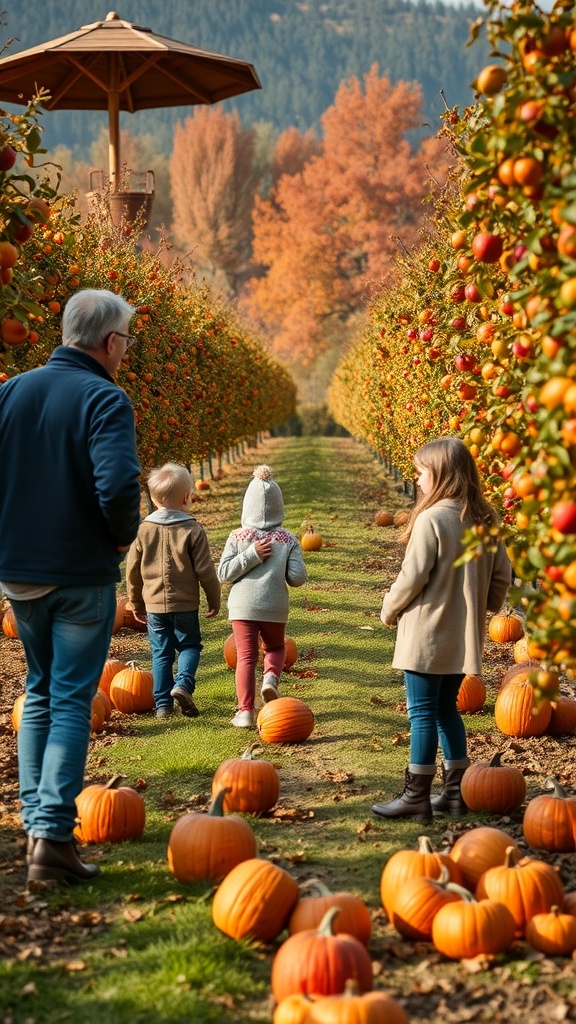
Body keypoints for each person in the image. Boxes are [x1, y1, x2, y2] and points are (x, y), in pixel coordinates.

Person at [0, 289, 142, 884]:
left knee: (39, 689)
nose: (126, 353)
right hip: (79, 575)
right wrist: (119, 536)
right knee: (69, 702)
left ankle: (38, 825)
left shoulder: (11, 390)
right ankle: (52, 837)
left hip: (18, 573)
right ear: (110, 343)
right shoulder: (104, 398)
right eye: (126, 342)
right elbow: (116, 485)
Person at [372, 437, 511, 822]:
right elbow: (502, 577)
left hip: (426, 635)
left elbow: (411, 577)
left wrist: (388, 609)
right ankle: (455, 792)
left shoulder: (432, 519)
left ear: (441, 475)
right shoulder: (486, 520)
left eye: (421, 472)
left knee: (420, 713)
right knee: (447, 710)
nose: (416, 480)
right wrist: (482, 606)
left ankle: (416, 795)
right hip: (461, 636)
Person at [126, 462, 220, 718]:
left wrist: (135, 603)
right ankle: (183, 684)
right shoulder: (193, 529)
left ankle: (162, 706)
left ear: (153, 500)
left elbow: (132, 571)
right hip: (186, 604)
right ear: (187, 497)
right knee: (189, 646)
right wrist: (214, 598)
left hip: (155, 606)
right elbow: (205, 570)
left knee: (161, 652)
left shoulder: (142, 530)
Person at [217, 465, 307, 727]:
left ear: (247, 506)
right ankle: (270, 678)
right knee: (276, 648)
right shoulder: (287, 539)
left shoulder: (237, 536)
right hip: (274, 605)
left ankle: (245, 712)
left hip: (243, 607)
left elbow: (224, 573)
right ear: (280, 506)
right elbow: (297, 578)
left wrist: (250, 555)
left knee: (245, 658)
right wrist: (288, 558)